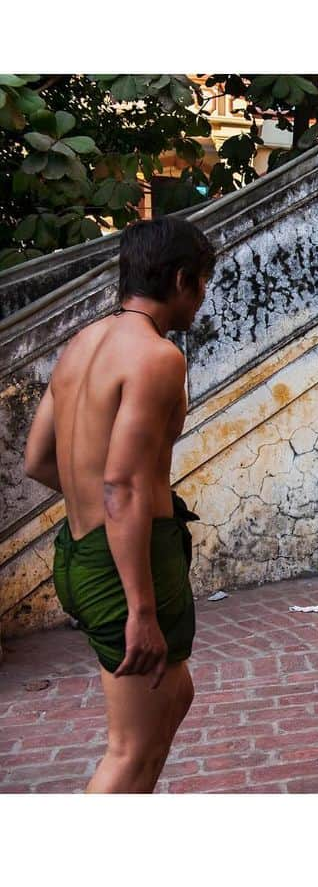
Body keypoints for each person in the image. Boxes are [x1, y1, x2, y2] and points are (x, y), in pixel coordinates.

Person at [23, 218, 216, 792]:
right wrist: (142, 612)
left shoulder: (81, 344)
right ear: (182, 279)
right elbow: (123, 488)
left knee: (174, 694)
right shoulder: (157, 357)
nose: (201, 299)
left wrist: (95, 501)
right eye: (202, 283)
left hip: (81, 552)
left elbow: (38, 460)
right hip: (127, 564)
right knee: (129, 749)